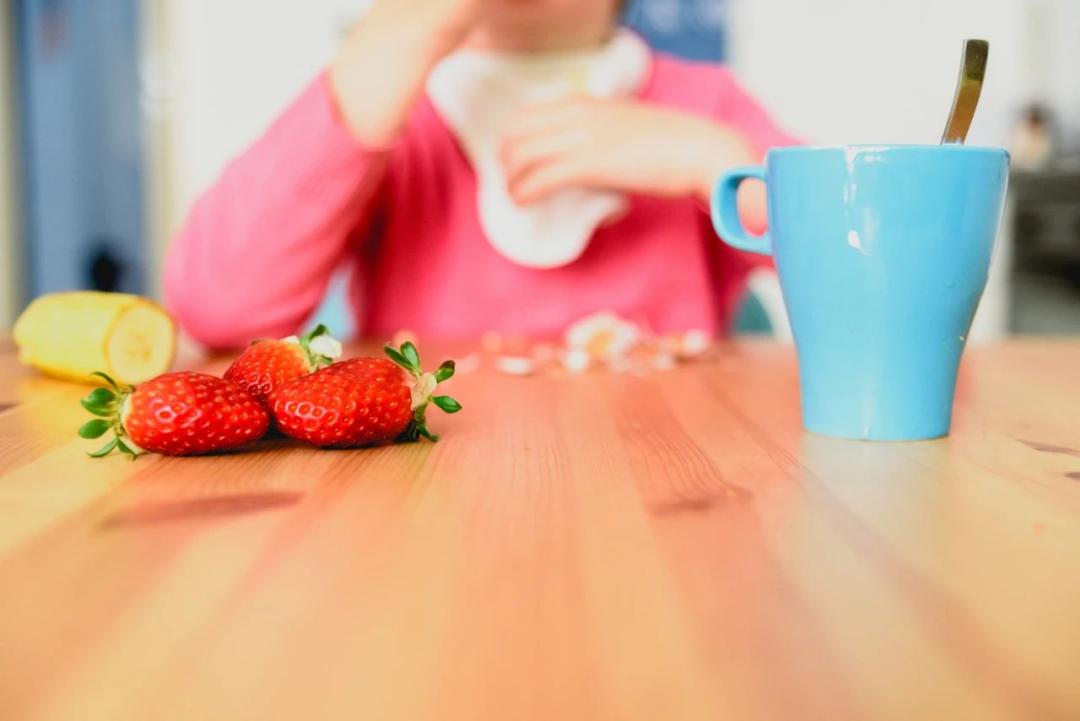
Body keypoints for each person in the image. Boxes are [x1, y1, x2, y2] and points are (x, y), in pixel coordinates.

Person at [165, 0, 798, 348]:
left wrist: (709, 160)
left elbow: (870, 262)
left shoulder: (705, 107)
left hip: (666, 490)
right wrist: (386, 45)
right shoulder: (392, 106)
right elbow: (217, 308)